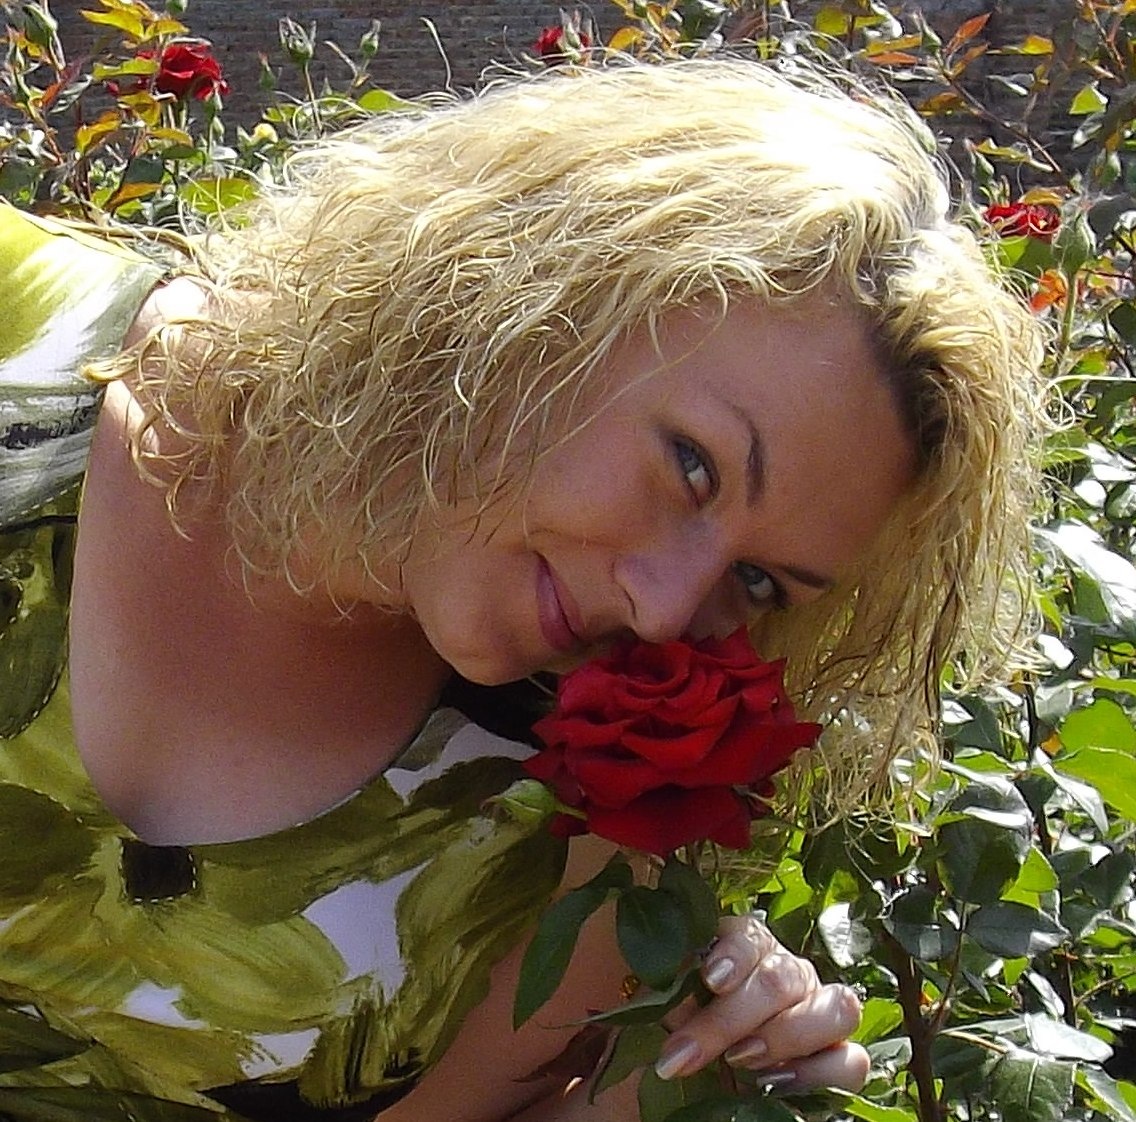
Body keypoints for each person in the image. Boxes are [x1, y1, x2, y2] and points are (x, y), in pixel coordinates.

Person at [0, 53, 1042, 1122]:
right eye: (692, 466)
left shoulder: (568, 823)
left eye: (757, 580)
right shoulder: (21, 334)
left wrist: (672, 1089)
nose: (664, 609)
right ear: (538, 291)